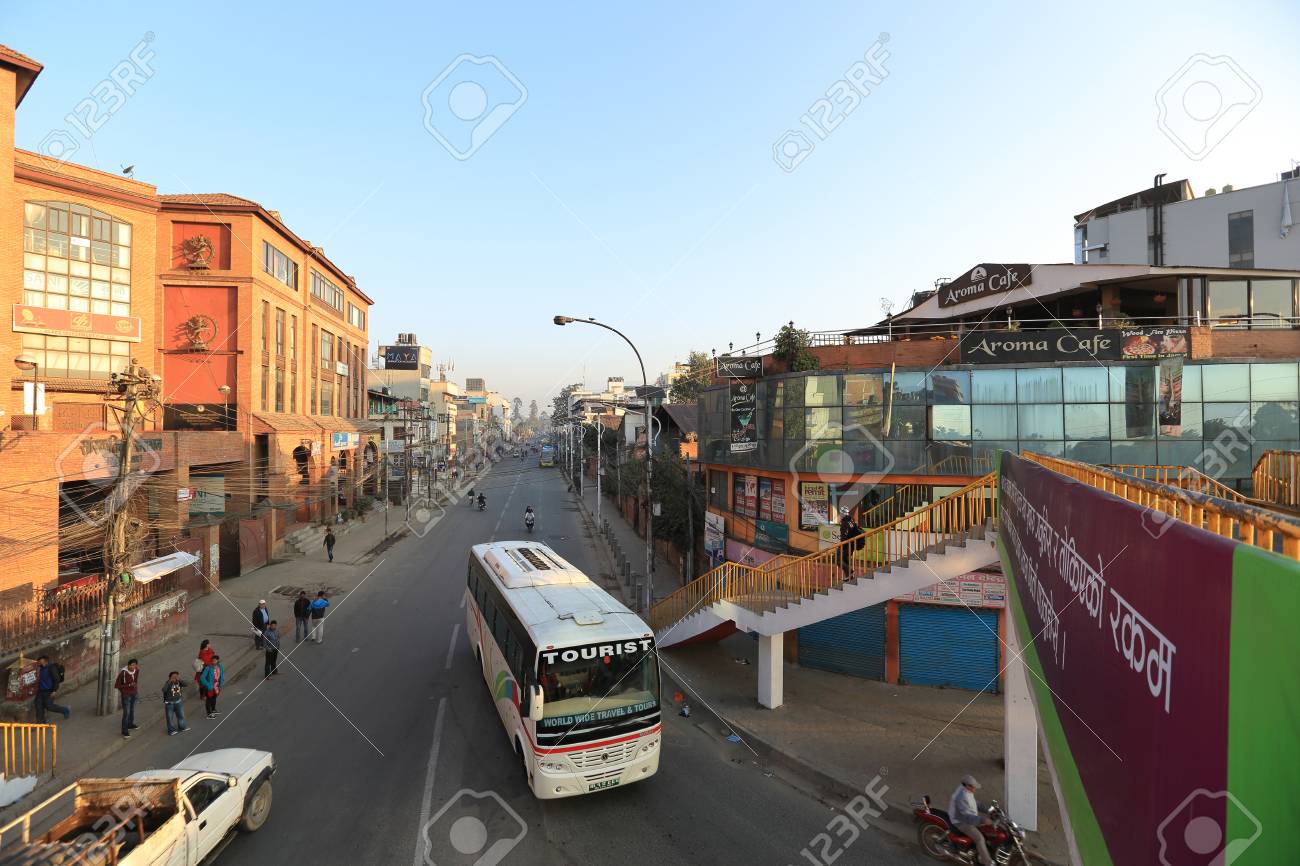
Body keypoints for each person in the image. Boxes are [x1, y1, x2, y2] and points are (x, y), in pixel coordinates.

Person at [948, 774, 991, 866]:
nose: (975, 789)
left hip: (966, 816)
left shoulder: (967, 790)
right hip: (960, 821)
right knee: (980, 839)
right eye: (974, 787)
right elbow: (967, 817)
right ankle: (987, 862)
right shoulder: (961, 797)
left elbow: (975, 803)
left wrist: (990, 810)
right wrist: (982, 820)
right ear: (968, 786)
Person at [34, 656, 70, 722]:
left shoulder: (51, 668)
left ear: (45, 661)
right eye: (39, 661)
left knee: (49, 706)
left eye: (41, 661)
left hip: (49, 691)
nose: (39, 662)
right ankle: (41, 722)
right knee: (38, 705)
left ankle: (65, 710)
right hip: (41, 691)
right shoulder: (41, 668)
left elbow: (56, 679)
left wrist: (54, 691)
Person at [114, 659, 140, 739]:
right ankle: (124, 730)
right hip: (126, 696)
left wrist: (135, 688)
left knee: (132, 710)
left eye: (135, 665)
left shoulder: (136, 670)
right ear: (128, 665)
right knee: (126, 712)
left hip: (133, 693)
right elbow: (117, 685)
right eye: (132, 665)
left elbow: (135, 680)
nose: (133, 667)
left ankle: (130, 724)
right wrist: (127, 688)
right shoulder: (123, 673)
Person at [161, 671, 188, 735]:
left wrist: (180, 680)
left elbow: (186, 684)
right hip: (170, 703)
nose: (175, 678)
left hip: (178, 702)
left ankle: (182, 727)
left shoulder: (179, 682)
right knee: (170, 718)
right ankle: (171, 731)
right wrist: (169, 681)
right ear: (170, 677)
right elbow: (164, 690)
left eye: (176, 676)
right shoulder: (168, 683)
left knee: (181, 716)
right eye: (173, 677)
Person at [838, 507, 862, 579]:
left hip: (846, 545)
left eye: (841, 513)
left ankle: (850, 572)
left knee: (837, 560)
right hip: (851, 544)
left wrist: (841, 545)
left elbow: (844, 536)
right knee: (846, 560)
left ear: (843, 514)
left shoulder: (845, 523)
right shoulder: (851, 521)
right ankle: (849, 576)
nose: (840, 515)